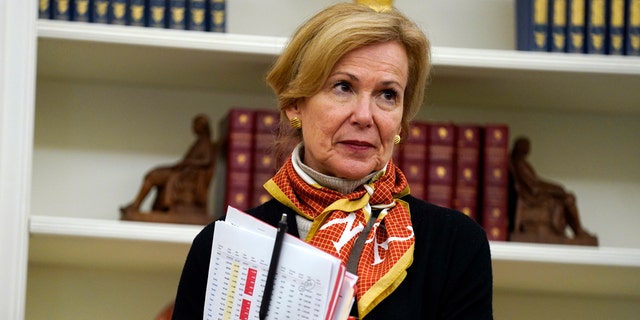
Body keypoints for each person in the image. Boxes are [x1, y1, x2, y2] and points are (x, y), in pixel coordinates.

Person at [172, 3, 493, 319]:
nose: (365, 116)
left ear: (401, 119)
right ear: (296, 103)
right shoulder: (223, 246)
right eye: (343, 87)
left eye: (387, 95)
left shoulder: (456, 245)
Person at [121, 114, 215, 215]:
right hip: (181, 171)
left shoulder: (206, 143)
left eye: (195, 124)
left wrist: (187, 163)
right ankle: (136, 205)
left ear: (202, 126)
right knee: (153, 174)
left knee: (153, 176)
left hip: (186, 175)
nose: (193, 127)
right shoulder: (199, 142)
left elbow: (207, 161)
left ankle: (136, 205)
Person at [509, 136, 595, 240]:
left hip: (534, 193)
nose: (528, 148)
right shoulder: (519, 163)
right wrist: (556, 189)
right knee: (569, 198)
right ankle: (577, 230)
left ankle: (576, 230)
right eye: (526, 145)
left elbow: (535, 181)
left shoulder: (521, 163)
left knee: (564, 194)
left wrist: (556, 187)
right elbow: (534, 187)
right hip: (532, 197)